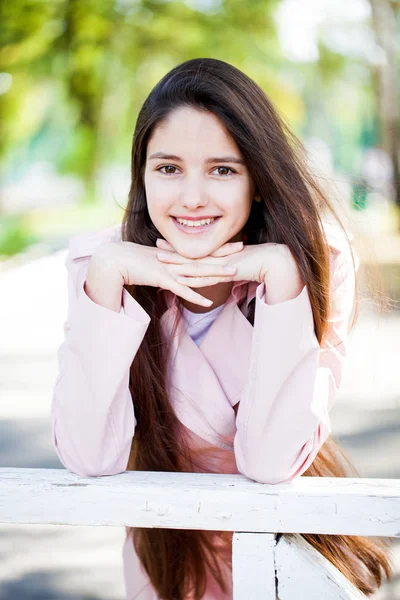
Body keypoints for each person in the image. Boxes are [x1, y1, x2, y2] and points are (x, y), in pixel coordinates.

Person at [51, 58, 393, 600]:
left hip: (291, 536)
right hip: (169, 544)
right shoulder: (103, 265)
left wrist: (281, 279)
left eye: (222, 170)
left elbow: (269, 460)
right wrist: (107, 278)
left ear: (258, 180)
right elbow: (89, 455)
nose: (191, 197)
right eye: (168, 168)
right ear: (142, 175)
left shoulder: (313, 260)